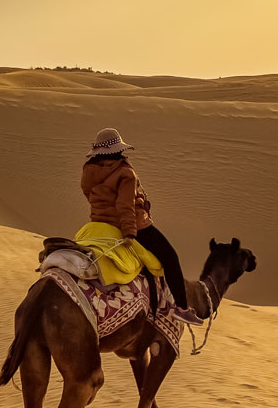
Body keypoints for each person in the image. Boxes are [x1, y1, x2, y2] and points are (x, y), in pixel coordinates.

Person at [81, 127, 203, 325]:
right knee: (170, 257)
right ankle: (181, 308)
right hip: (132, 225)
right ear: (118, 150)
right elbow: (125, 205)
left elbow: (89, 194)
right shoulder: (125, 173)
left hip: (99, 223)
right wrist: (129, 232)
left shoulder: (88, 171)